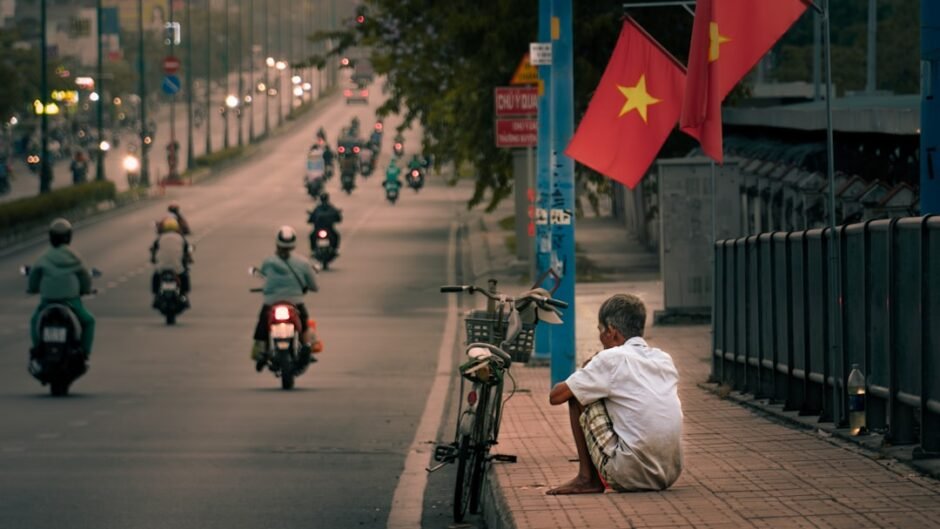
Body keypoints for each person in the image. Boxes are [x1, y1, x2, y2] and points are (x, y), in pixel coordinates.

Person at [546, 294, 683, 495]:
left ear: (611, 331)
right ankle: (591, 477)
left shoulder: (610, 358)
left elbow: (556, 396)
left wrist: (588, 368)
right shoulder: (663, 358)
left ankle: (587, 479)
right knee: (599, 390)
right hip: (669, 473)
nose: (600, 338)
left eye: (601, 331)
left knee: (577, 394)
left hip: (629, 473)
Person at [251, 226, 319, 370]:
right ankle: (307, 347)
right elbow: (314, 286)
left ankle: (262, 351)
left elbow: (263, 277)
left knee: (262, 325)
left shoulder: (268, 261)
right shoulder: (303, 262)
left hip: (271, 303)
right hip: (295, 303)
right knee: (305, 325)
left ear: (277, 242)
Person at [28, 218, 96, 360]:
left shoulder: (44, 256)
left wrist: (32, 289)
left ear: (51, 237)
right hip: (71, 302)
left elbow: (34, 277)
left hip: (47, 302)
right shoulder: (74, 257)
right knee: (89, 321)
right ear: (69, 236)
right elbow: (84, 277)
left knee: (35, 320)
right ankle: (84, 353)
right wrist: (86, 290)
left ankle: (37, 350)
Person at [149, 217, 192, 304]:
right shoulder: (181, 238)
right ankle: (183, 295)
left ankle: (156, 295)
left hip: (162, 268)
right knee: (184, 277)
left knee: (155, 277)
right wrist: (188, 259)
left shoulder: (160, 238)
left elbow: (153, 251)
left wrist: (153, 259)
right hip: (177, 268)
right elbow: (186, 252)